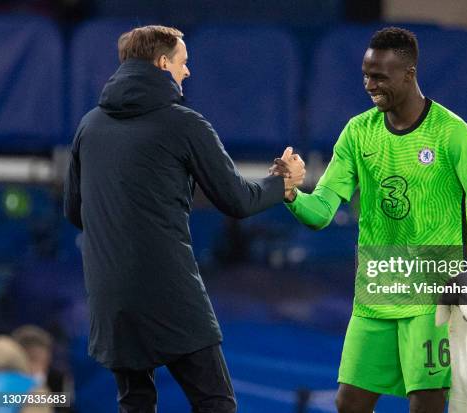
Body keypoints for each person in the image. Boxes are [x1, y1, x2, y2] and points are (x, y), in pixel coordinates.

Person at [271, 27, 467, 413]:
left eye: (380, 77)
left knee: (427, 405)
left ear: (409, 74)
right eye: (366, 75)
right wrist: (289, 194)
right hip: (374, 297)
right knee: (349, 402)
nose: (370, 85)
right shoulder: (357, 133)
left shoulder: (452, 133)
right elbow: (320, 213)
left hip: (432, 300)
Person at [63, 25, 304, 413]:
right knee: (215, 402)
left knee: (134, 403)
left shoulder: (89, 125)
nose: (187, 71)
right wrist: (282, 183)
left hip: (110, 295)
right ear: (162, 63)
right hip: (169, 291)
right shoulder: (185, 124)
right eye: (183, 62)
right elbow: (238, 200)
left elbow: (76, 212)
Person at [11, 325, 74, 413]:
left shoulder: (58, 379)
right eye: (32, 359)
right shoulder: (7, 380)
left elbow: (65, 407)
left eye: (44, 360)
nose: (39, 367)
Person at [0, 335, 53, 413]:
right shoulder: (34, 391)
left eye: (45, 364)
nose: (40, 369)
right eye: (34, 360)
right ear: (20, 357)